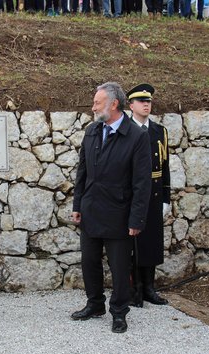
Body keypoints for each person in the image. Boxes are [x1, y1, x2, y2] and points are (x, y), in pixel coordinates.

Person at [71, 82, 152, 333]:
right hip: (91, 210)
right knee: (89, 261)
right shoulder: (92, 131)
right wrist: (77, 205)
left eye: (97, 102)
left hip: (119, 213)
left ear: (113, 104)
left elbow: (142, 182)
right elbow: (82, 172)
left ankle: (119, 311)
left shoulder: (137, 136)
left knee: (119, 267)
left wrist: (136, 220)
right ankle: (95, 304)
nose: (93, 107)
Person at [126, 83, 170, 306]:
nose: (146, 105)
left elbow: (165, 167)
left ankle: (149, 288)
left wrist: (165, 198)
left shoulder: (159, 131)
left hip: (153, 193)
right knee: (133, 244)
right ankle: (134, 289)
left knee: (152, 241)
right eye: (142, 101)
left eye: (149, 101)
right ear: (131, 105)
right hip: (132, 193)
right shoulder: (126, 129)